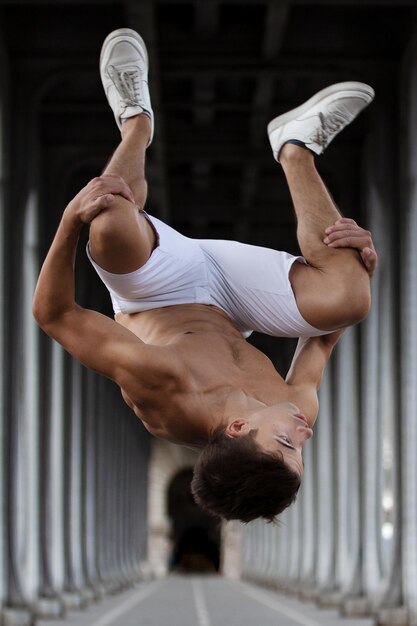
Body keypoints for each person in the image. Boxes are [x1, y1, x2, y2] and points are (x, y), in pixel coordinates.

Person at [32, 28, 377, 524]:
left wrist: (70, 220)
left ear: (236, 427)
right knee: (351, 299)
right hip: (234, 302)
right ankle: (296, 146)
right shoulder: (292, 407)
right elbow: (320, 342)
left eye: (286, 443)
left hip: (156, 291)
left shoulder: (164, 389)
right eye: (301, 451)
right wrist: (359, 269)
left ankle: (135, 123)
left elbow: (55, 313)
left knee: (106, 223)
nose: (305, 434)